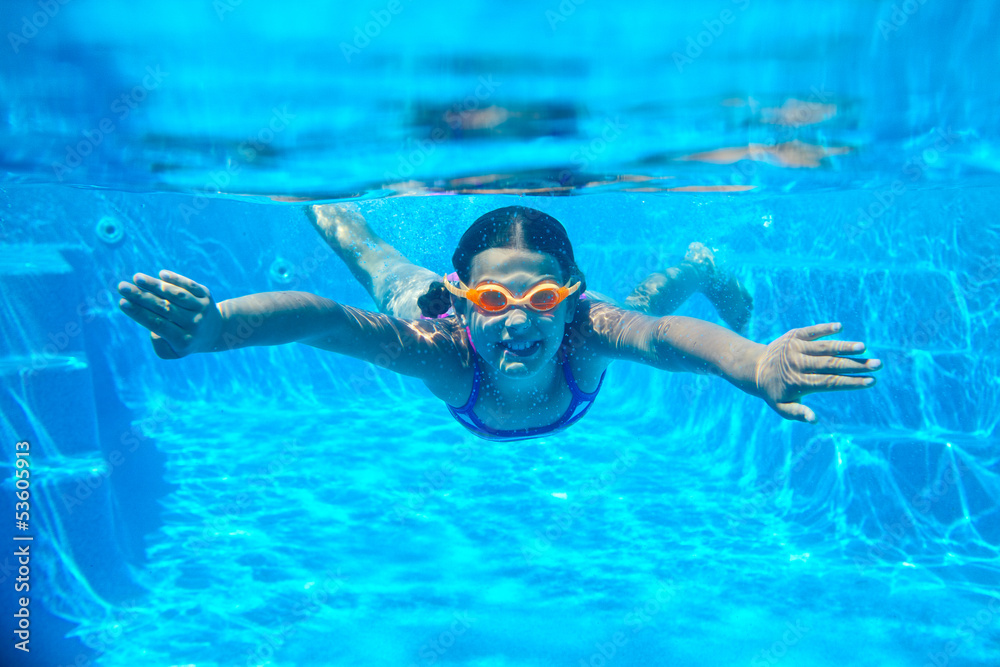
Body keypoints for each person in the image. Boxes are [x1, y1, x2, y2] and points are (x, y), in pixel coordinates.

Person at [117, 205, 880, 441]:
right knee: (380, 270)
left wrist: (753, 365)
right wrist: (217, 327)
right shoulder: (447, 353)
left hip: (572, 310)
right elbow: (327, 321)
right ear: (465, 301)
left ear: (570, 297)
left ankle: (698, 263)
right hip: (428, 301)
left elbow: (664, 341)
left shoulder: (587, 330)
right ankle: (325, 200)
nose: (518, 321)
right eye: (494, 302)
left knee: (650, 301)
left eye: (542, 299)